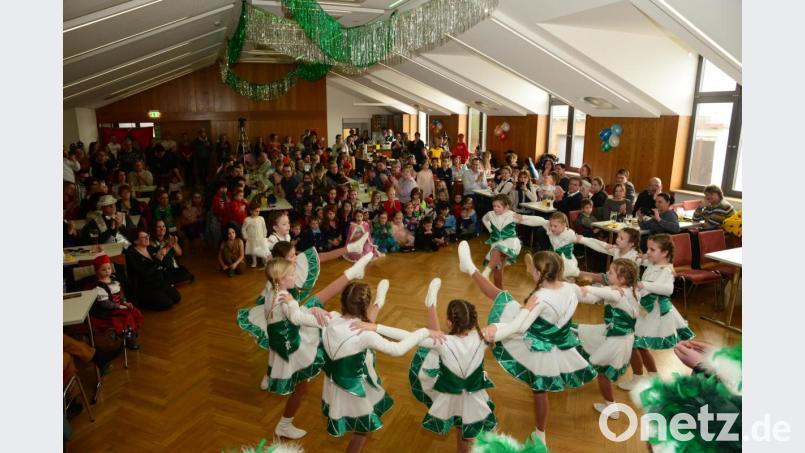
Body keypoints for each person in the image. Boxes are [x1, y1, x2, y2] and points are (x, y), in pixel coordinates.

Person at [458, 244, 596, 445]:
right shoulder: (570, 287)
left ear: (539, 273)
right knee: (501, 296)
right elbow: (590, 295)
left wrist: (495, 331)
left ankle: (470, 268)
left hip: (538, 343)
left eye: (532, 269)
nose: (530, 271)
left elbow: (519, 327)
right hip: (555, 339)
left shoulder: (540, 297)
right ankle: (540, 433)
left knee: (539, 389)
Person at [289, 281, 438, 452]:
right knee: (362, 428)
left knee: (361, 328)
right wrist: (424, 332)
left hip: (334, 385)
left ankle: (379, 302)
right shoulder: (365, 335)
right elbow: (397, 350)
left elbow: (295, 316)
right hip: (354, 390)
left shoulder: (329, 318)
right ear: (364, 306)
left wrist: (308, 308)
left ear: (342, 301)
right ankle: (379, 302)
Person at [259, 256, 373, 439]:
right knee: (301, 388)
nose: (295, 275)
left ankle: (285, 424)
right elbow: (295, 317)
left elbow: (293, 315)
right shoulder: (284, 297)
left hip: (285, 344)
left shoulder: (272, 289)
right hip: (291, 348)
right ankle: (284, 425)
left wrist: (311, 310)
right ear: (280, 279)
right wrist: (330, 321)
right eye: (291, 274)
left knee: (301, 388)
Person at [388, 281, 497, 452]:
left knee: (437, 340)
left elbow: (405, 336)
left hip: (455, 388)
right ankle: (431, 303)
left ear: (449, 323)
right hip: (464, 390)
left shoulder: (467, 339)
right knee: (438, 340)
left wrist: (375, 327)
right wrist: (496, 327)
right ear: (472, 321)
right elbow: (514, 327)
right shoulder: (482, 338)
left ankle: (431, 304)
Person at [618, 234, 695, 391]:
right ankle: (652, 376)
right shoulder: (653, 263)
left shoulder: (666, 270)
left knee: (634, 343)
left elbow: (668, 289)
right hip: (647, 310)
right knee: (638, 344)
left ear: (665, 253)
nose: (648, 252)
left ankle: (639, 378)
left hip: (656, 313)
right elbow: (642, 260)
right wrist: (645, 255)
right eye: (648, 248)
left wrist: (645, 284)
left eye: (652, 249)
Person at [575, 259, 641, 419]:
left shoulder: (617, 293)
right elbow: (602, 294)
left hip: (617, 341)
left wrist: (587, 288)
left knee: (603, 373)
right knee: (583, 336)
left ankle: (612, 408)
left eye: (611, 273)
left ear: (622, 279)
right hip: (621, 338)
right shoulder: (632, 291)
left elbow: (607, 294)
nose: (607, 274)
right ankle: (610, 406)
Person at [479, 195, 549, 288]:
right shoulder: (490, 214)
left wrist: (545, 222)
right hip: (496, 243)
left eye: (498, 206)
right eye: (494, 206)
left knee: (497, 250)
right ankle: (501, 295)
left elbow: (529, 220)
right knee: (498, 273)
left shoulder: (512, 215)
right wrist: (490, 230)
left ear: (507, 207)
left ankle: (485, 273)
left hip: (510, 243)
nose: (495, 208)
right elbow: (484, 219)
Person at [89, 254, 144, 350]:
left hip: (119, 305)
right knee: (126, 317)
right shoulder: (99, 286)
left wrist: (125, 302)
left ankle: (131, 331)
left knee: (134, 311)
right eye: (103, 269)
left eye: (109, 268)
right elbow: (105, 304)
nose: (107, 271)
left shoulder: (114, 280)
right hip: (108, 310)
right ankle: (128, 339)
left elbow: (120, 295)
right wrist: (118, 306)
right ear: (97, 271)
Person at [125, 228, 181, 310]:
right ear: (136, 241)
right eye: (143, 237)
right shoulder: (131, 254)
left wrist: (169, 246)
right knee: (168, 303)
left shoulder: (150, 248)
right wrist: (158, 260)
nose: (147, 238)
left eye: (147, 236)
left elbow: (162, 258)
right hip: (146, 287)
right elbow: (145, 273)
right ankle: (144, 303)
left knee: (177, 297)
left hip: (158, 282)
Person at [576, 227, 642, 284]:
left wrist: (646, 256)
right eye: (618, 236)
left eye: (621, 238)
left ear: (631, 244)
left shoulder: (635, 256)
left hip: (620, 285)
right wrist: (582, 239)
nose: (617, 240)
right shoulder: (617, 249)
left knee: (584, 275)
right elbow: (599, 245)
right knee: (583, 275)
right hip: (610, 278)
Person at [151, 219, 194, 284]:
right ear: (154, 229)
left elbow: (179, 253)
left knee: (187, 275)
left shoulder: (169, 237)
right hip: (161, 269)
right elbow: (158, 258)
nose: (162, 229)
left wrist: (174, 244)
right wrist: (168, 246)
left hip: (172, 267)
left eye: (163, 226)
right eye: (159, 227)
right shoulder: (150, 242)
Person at [546, 212, 580, 279]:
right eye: (551, 225)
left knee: (567, 278)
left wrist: (579, 239)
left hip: (567, 261)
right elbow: (540, 221)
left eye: (555, 226)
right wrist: (522, 218)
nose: (552, 228)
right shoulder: (551, 230)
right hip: (554, 259)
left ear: (564, 225)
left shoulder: (569, 233)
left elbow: (584, 240)